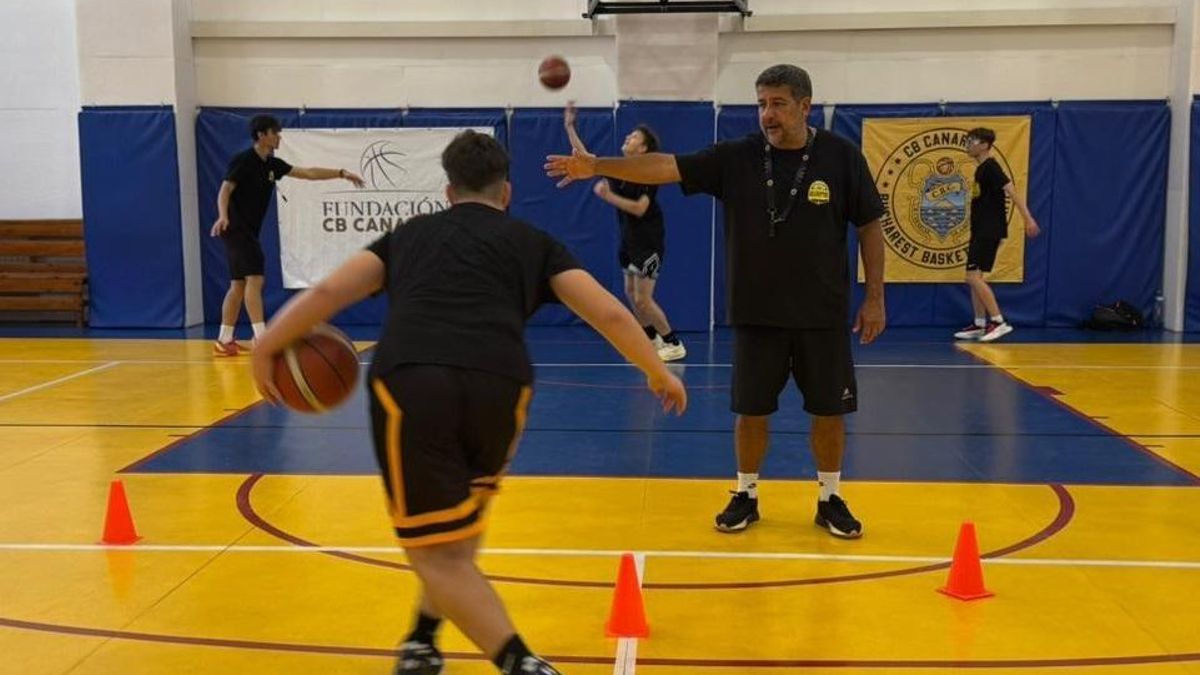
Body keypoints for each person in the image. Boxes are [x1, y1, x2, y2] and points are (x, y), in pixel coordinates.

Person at [252, 130, 686, 675]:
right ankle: (422, 638)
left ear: (448, 191)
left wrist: (266, 345)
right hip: (501, 388)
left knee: (433, 551)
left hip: (414, 383)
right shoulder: (533, 240)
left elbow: (324, 297)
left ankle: (521, 662)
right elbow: (611, 315)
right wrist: (656, 372)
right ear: (506, 193)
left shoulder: (409, 235)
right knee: (459, 532)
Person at [547, 64, 886, 539]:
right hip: (755, 310)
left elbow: (870, 223)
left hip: (822, 312)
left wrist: (874, 298)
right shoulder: (738, 157)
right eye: (762, 103)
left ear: (805, 107)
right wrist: (597, 165)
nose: (767, 114)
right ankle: (745, 493)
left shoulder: (841, 157)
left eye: (778, 104)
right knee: (751, 410)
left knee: (829, 410)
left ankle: (830, 496)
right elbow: (665, 166)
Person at [210, 113, 365, 356]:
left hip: (247, 230)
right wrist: (223, 216)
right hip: (236, 228)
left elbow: (309, 173)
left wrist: (341, 173)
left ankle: (224, 339)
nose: (279, 136)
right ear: (262, 135)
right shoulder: (243, 160)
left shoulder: (273, 165)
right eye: (275, 133)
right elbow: (225, 189)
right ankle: (262, 337)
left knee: (238, 285)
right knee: (255, 279)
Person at [564, 102, 685, 361]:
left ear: (642, 149)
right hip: (629, 242)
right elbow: (586, 159)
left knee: (643, 300)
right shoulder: (617, 170)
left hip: (648, 243)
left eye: (633, 137)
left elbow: (640, 208)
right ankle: (651, 339)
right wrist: (569, 126)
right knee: (631, 295)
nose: (627, 138)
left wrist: (608, 196)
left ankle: (673, 343)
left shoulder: (646, 174)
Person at [952, 127, 1040, 343]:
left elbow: (1012, 191)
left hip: (988, 230)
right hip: (981, 229)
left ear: (984, 145)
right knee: (975, 278)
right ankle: (980, 324)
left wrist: (1028, 219)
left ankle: (999, 322)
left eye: (972, 141)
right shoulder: (981, 169)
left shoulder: (991, 167)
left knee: (972, 277)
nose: (968, 144)